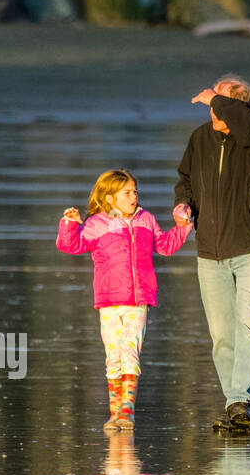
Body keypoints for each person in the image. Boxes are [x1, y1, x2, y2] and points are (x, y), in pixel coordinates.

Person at [174, 75, 250, 430]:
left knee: (248, 324)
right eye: (211, 105)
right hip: (210, 251)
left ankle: (240, 400)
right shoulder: (200, 138)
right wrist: (183, 205)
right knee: (222, 333)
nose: (211, 111)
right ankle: (234, 402)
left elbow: (248, 130)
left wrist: (216, 99)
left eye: (218, 105)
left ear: (238, 106)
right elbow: (185, 178)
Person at [57, 169, 193, 433]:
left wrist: (183, 226)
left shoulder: (146, 219)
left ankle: (127, 412)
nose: (134, 197)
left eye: (135, 191)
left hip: (138, 299)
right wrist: (69, 224)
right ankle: (114, 411)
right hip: (108, 301)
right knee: (113, 356)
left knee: (130, 351)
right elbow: (70, 245)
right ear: (109, 198)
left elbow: (165, 246)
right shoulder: (97, 224)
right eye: (127, 192)